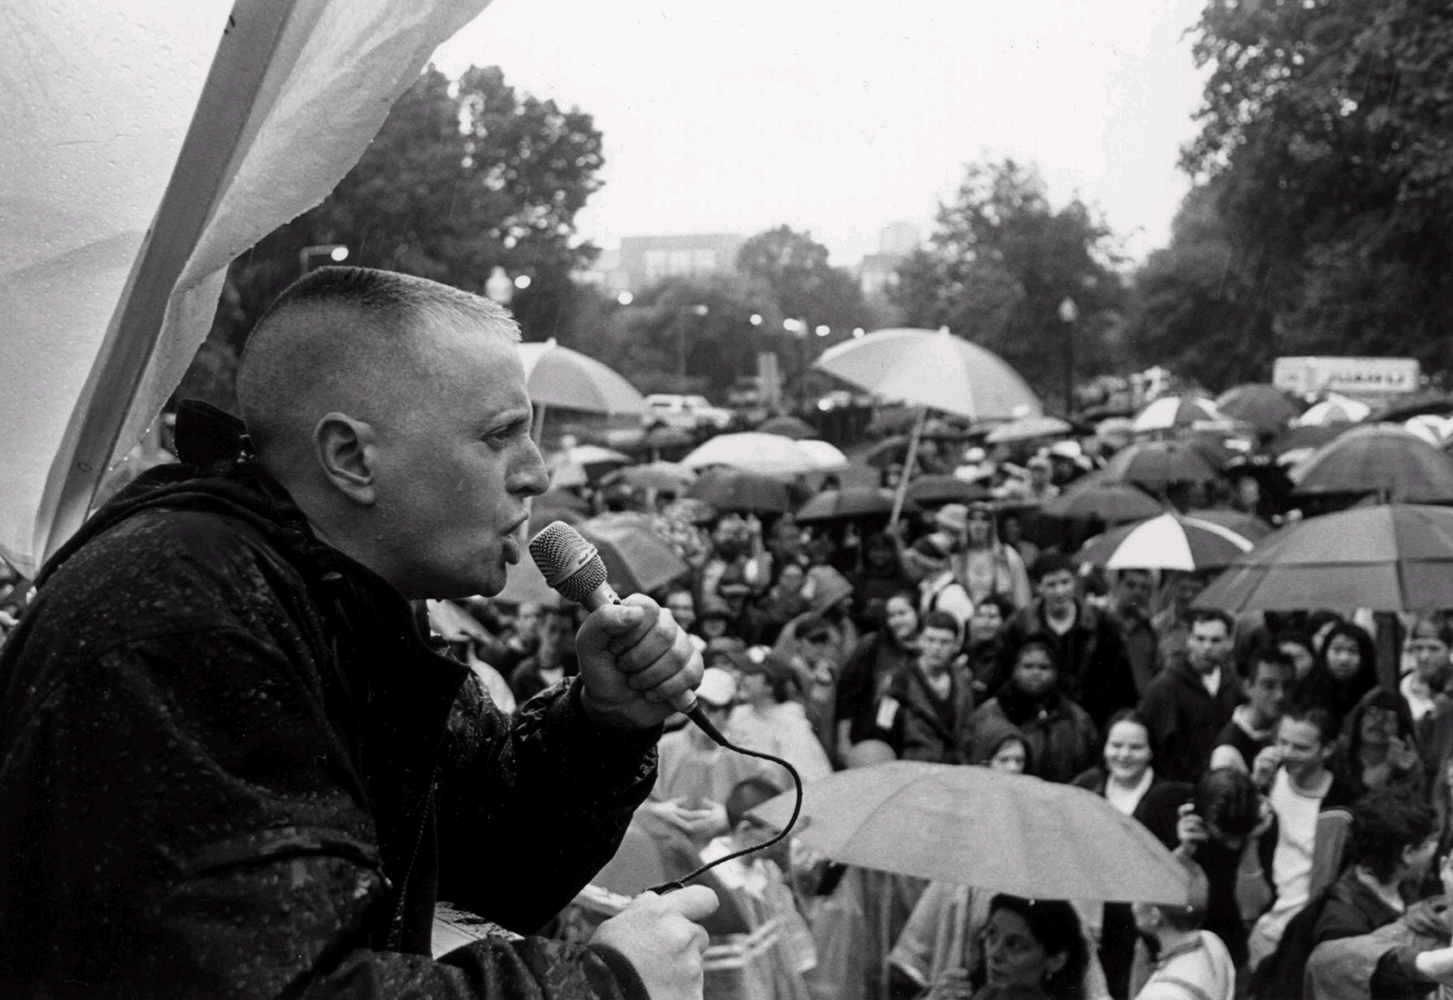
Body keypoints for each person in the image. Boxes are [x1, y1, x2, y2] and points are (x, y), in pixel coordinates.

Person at [0, 268, 714, 997]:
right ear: (350, 458)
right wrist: (606, 986)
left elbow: (482, 866)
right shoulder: (186, 623)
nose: (535, 474)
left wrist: (600, 729)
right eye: (500, 435)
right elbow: (279, 986)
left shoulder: (342, 600)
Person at [1250, 786, 1437, 1000]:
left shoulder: (1402, 888)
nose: (1435, 848)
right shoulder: (1342, 925)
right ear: (1407, 853)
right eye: (1429, 842)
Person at [1072, 711, 1192, 998]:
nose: (1124, 755)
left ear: (1151, 751)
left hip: (1141, 919)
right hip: (1092, 913)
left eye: (1135, 747)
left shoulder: (1167, 797)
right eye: (1116, 745)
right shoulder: (1086, 786)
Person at [1246, 703, 1357, 969]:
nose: (1287, 753)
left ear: (1327, 749)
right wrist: (1253, 785)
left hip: (1300, 937)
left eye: (1300, 748)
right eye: (1282, 742)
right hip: (1257, 924)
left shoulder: (1342, 806)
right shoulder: (1269, 780)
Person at [999, 552, 1137, 730]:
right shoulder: (1019, 625)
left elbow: (1122, 683)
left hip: (1095, 720)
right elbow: (1005, 678)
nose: (1060, 591)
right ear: (1038, 587)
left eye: (1065, 582)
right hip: (1033, 722)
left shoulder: (1103, 623)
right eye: (1051, 584)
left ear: (1074, 582)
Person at [1138, 609, 1245, 784]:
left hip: (1219, 784)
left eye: (1216, 640)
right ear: (1189, 639)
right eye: (1200, 639)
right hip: (1177, 785)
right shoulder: (1166, 685)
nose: (1207, 647)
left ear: (1229, 642)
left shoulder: (1232, 683)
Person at [970, 638, 1098, 783]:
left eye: (1044, 667)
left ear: (1056, 672)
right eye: (1028, 666)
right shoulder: (990, 713)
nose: (1035, 673)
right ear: (1015, 670)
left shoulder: (1076, 718)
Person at [881, 610, 979, 764]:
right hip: (912, 766)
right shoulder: (899, 680)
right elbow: (883, 730)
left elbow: (968, 727)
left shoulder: (963, 679)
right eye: (930, 640)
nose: (936, 647)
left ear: (956, 645)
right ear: (920, 641)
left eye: (944, 642)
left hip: (954, 768)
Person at [1129, 859, 1235, 1000]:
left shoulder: (1161, 994)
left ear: (1154, 916)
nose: (1132, 905)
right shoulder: (1212, 941)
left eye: (1138, 896)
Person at [726, 645, 833, 783]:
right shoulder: (736, 715)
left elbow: (813, 781)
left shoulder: (792, 726)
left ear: (770, 686)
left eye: (749, 674)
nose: (740, 678)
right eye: (742, 672)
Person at [836, 591, 920, 758]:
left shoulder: (927, 649)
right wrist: (843, 740)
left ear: (917, 613)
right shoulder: (872, 645)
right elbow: (847, 695)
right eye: (891, 616)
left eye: (902, 613)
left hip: (910, 742)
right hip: (871, 739)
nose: (897, 621)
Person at [1330, 686, 1425, 803]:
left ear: (1401, 729)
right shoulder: (1337, 755)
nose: (1379, 721)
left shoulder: (1407, 767)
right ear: (1359, 718)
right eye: (1372, 713)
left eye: (1389, 717)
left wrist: (1390, 767)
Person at [1208, 647, 1294, 773]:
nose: (1280, 695)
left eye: (1287, 686)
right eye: (1269, 686)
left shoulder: (1289, 728)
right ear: (1248, 687)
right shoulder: (1228, 752)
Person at [949, 501, 1032, 611]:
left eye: (984, 519)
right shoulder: (957, 558)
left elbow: (1023, 599)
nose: (978, 525)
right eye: (972, 519)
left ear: (992, 525)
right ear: (966, 525)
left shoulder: (1007, 555)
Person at [1302, 620, 1380, 724]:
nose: (1344, 659)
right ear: (1325, 653)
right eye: (1337, 649)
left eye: (1353, 651)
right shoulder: (1307, 693)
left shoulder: (1375, 697)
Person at [906, 532, 976, 636]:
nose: (910, 566)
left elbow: (960, 633)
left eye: (914, 561)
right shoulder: (926, 588)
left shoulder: (952, 594)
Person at [1107, 569, 1160, 698]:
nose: (1137, 592)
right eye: (1130, 585)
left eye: (1144, 587)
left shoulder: (1151, 630)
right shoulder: (1103, 625)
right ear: (1117, 586)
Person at [1401, 613, 1453, 724]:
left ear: (1449, 650)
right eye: (1419, 648)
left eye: (1434, 649)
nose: (1424, 656)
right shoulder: (1403, 683)